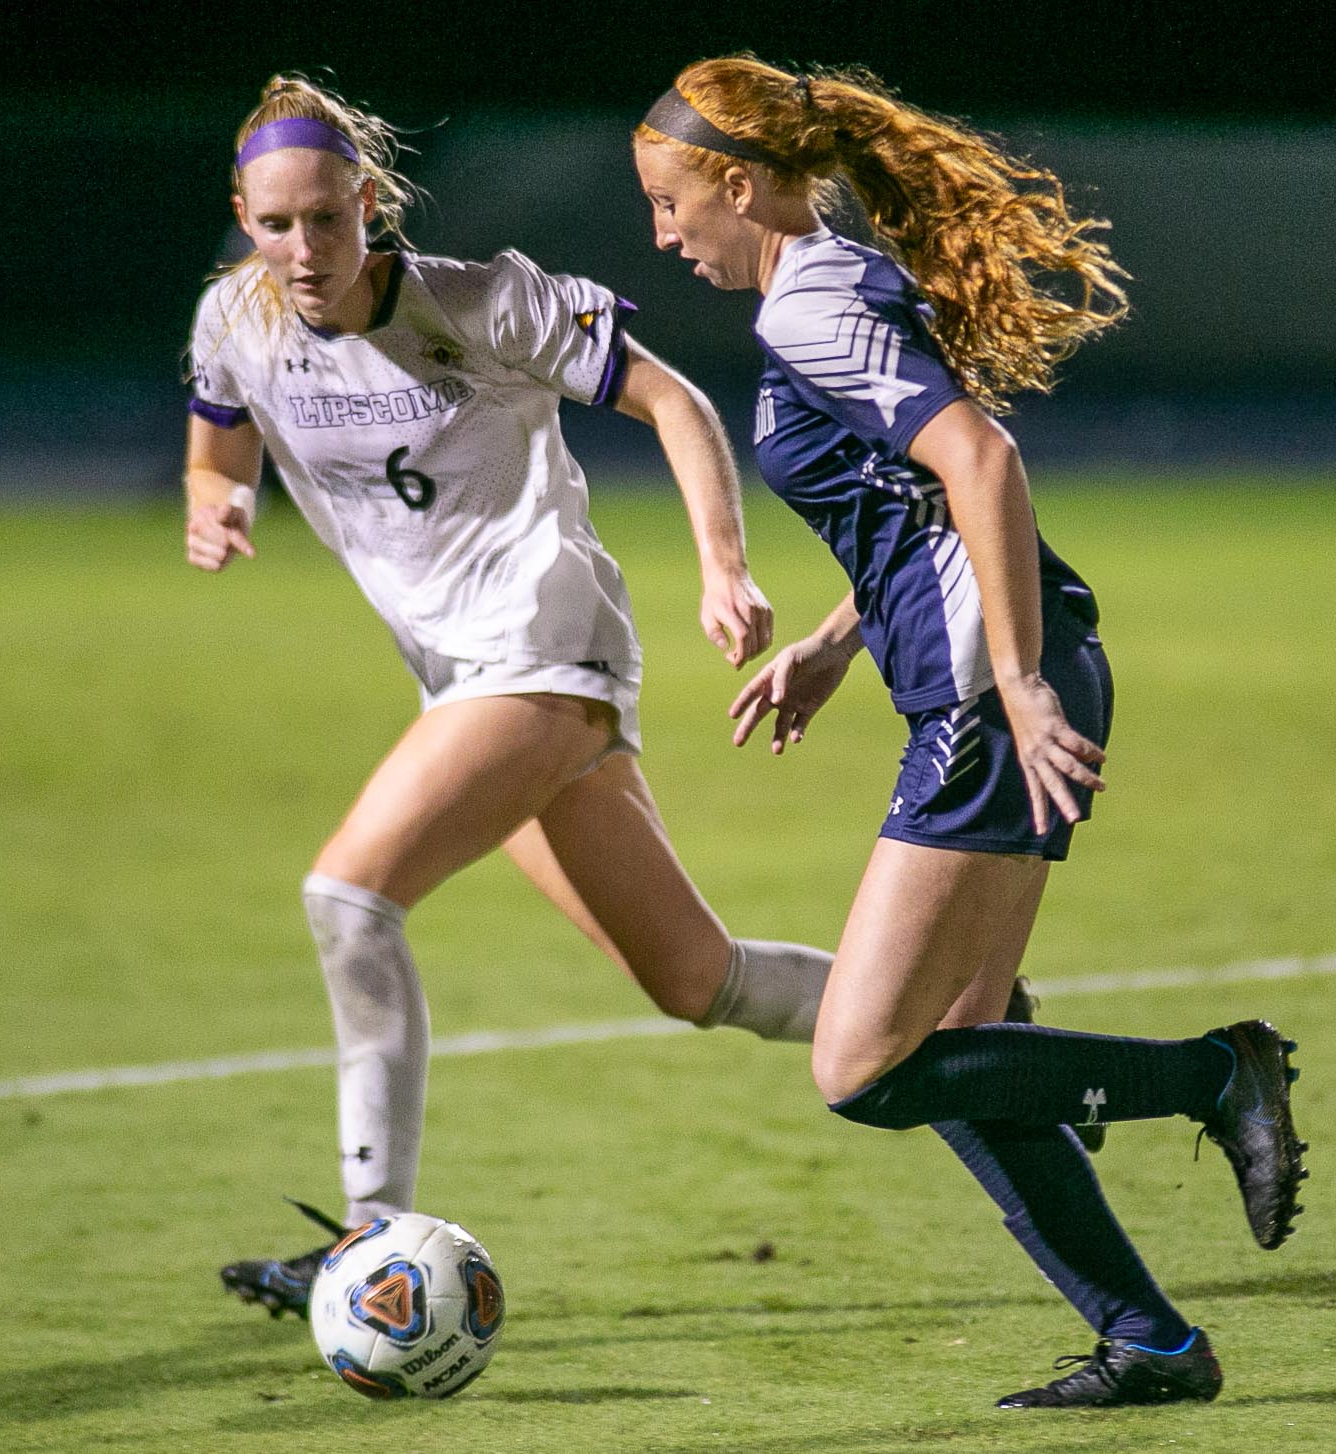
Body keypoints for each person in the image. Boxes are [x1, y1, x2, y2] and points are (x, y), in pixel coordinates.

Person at [633, 58, 1308, 1409]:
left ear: (739, 183)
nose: (663, 233)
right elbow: (908, 510)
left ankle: (1210, 1074)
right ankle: (1151, 1343)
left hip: (985, 694)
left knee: (860, 1065)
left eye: (667, 203)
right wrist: (833, 644)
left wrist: (1011, 678)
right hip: (981, 673)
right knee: (961, 1034)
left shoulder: (813, 305)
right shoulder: (819, 287)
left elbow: (980, 462)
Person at [185, 75, 854, 1317]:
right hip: (464, 677)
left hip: (542, 646)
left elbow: (675, 398)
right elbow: (218, 433)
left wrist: (723, 564)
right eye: (275, 226)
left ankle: (368, 1240)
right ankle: (979, 1026)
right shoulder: (235, 319)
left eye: (325, 220)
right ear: (244, 216)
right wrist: (212, 501)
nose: (303, 250)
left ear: (366, 203)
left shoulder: (481, 300)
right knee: (696, 978)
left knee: (347, 897)